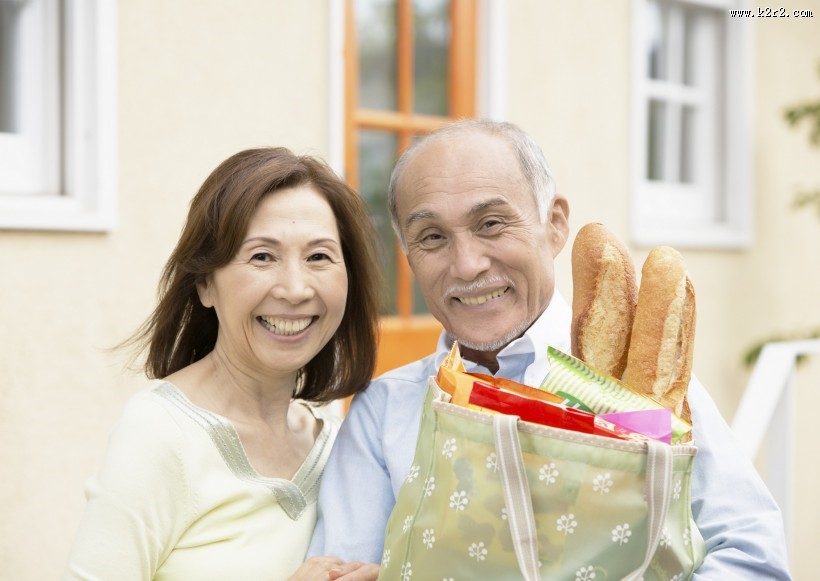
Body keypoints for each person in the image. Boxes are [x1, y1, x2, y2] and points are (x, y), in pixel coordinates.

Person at [309, 119, 792, 579]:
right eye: (432, 237)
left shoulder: (637, 387)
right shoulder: (384, 411)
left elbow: (752, 555)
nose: (468, 263)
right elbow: (341, 570)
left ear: (555, 224)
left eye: (491, 224)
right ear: (408, 255)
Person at [64, 147, 382, 580]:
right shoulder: (159, 433)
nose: (295, 288)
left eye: (319, 257)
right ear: (205, 285)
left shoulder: (332, 438)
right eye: (262, 256)